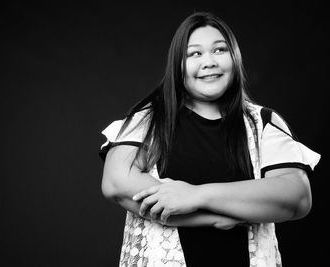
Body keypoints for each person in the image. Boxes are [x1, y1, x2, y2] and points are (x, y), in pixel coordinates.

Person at [99, 11, 321, 267]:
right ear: (177, 64)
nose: (209, 62)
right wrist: (213, 218)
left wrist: (197, 195)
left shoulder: (263, 123)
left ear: (234, 58)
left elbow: (296, 198)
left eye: (219, 50)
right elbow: (117, 183)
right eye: (194, 53)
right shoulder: (150, 120)